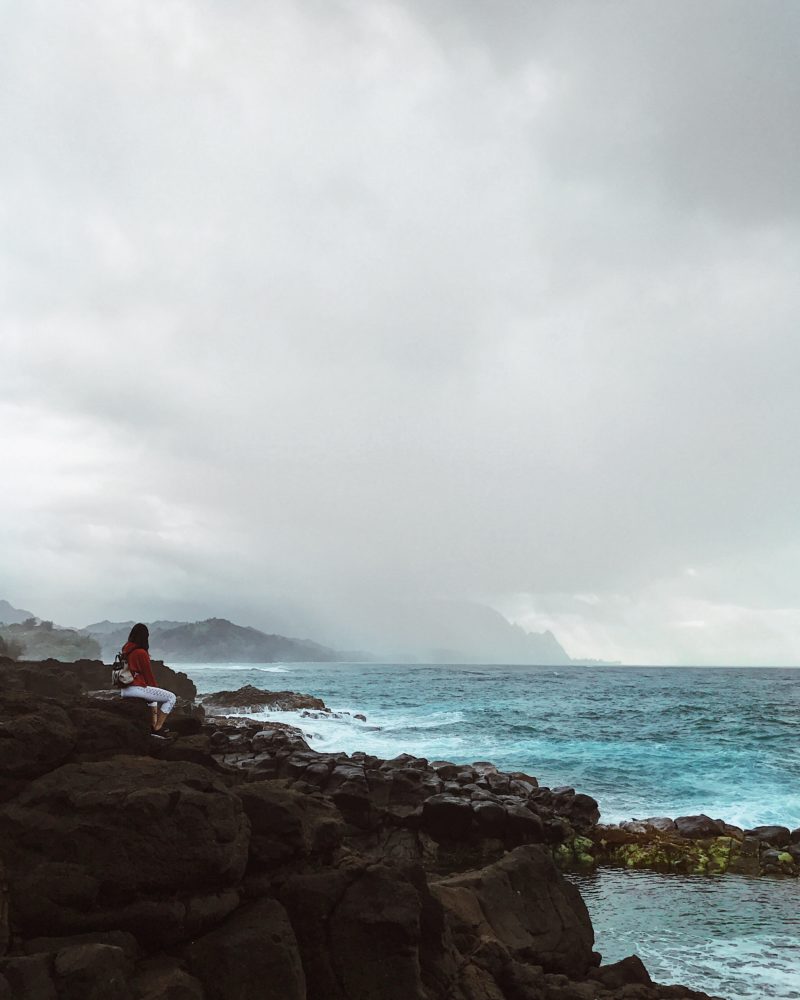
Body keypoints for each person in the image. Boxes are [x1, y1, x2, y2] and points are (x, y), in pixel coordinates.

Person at [120, 623, 176, 739]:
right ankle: (158, 728)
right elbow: (148, 675)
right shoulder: (141, 652)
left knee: (153, 699)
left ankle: (152, 726)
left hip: (125, 689)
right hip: (137, 688)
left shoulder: (126, 650)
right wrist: (155, 687)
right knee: (171, 698)